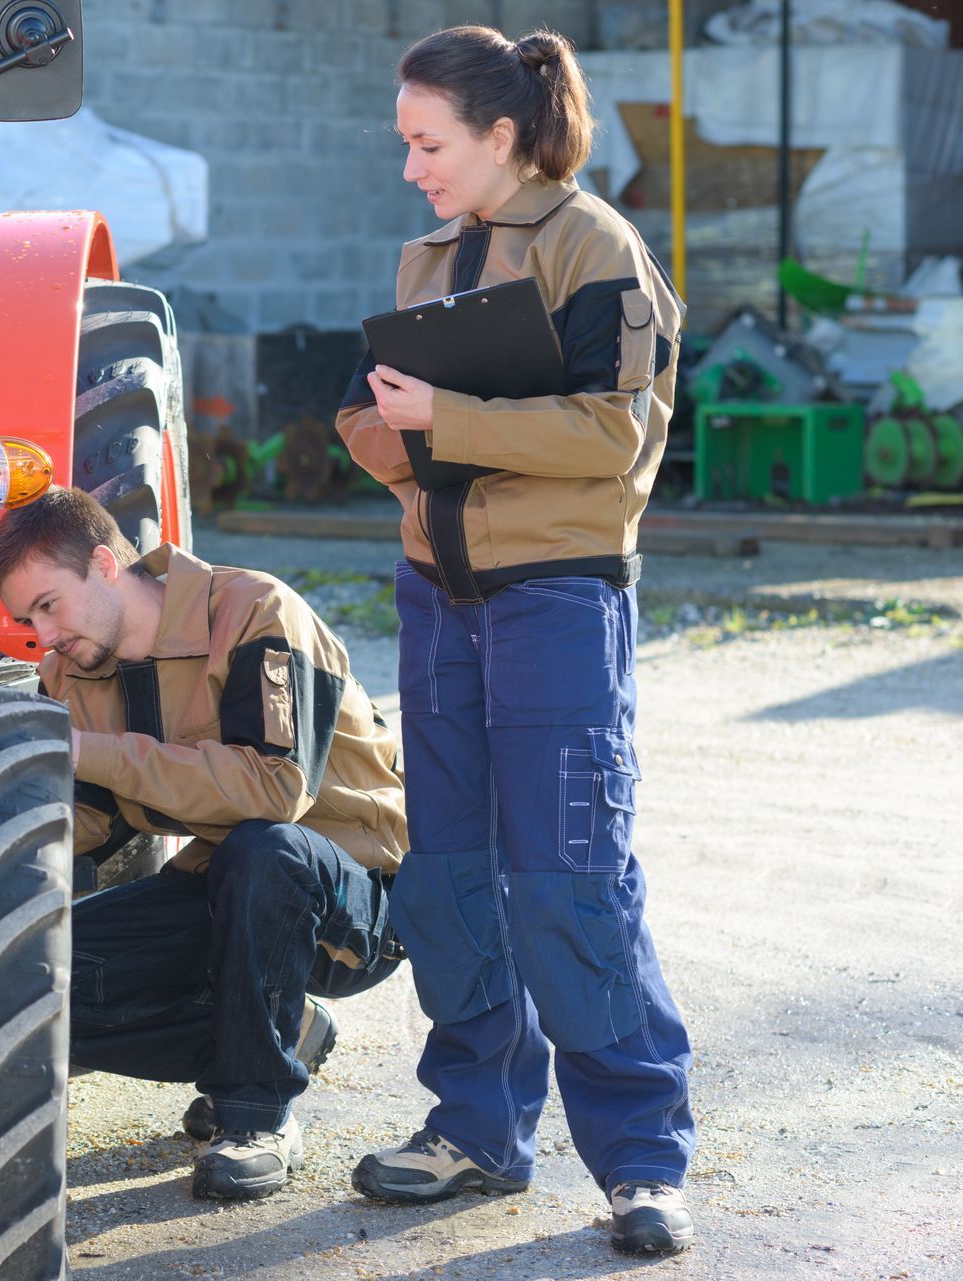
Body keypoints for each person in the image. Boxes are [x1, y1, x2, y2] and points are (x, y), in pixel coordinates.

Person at [335, 24, 696, 1256]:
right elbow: (367, 414)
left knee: (569, 879)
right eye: (404, 145)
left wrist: (453, 416)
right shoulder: (425, 256)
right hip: (439, 598)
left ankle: (643, 1161)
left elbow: (617, 437)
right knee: (446, 878)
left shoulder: (599, 245)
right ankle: (476, 1128)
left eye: (428, 145)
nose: (411, 169)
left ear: (502, 136)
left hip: (558, 601)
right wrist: (395, 434)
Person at [0, 487, 408, 1201]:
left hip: (353, 899)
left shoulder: (256, 613)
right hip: (224, 885)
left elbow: (275, 790)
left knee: (265, 850)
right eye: (28, 619)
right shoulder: (72, 674)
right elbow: (83, 820)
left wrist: (86, 749)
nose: (42, 635)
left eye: (48, 605)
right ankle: (277, 1029)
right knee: (19, 976)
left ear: (106, 564)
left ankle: (257, 1115)